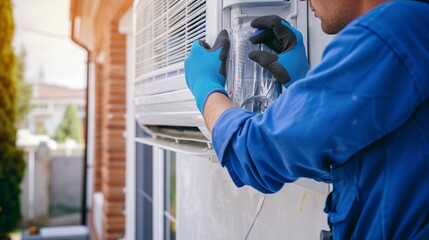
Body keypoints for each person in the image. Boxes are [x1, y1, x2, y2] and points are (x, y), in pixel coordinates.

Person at [184, 0, 429, 238]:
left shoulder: (394, 31)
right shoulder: (413, 29)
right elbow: (356, 162)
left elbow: (258, 154)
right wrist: (301, 83)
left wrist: (206, 89)